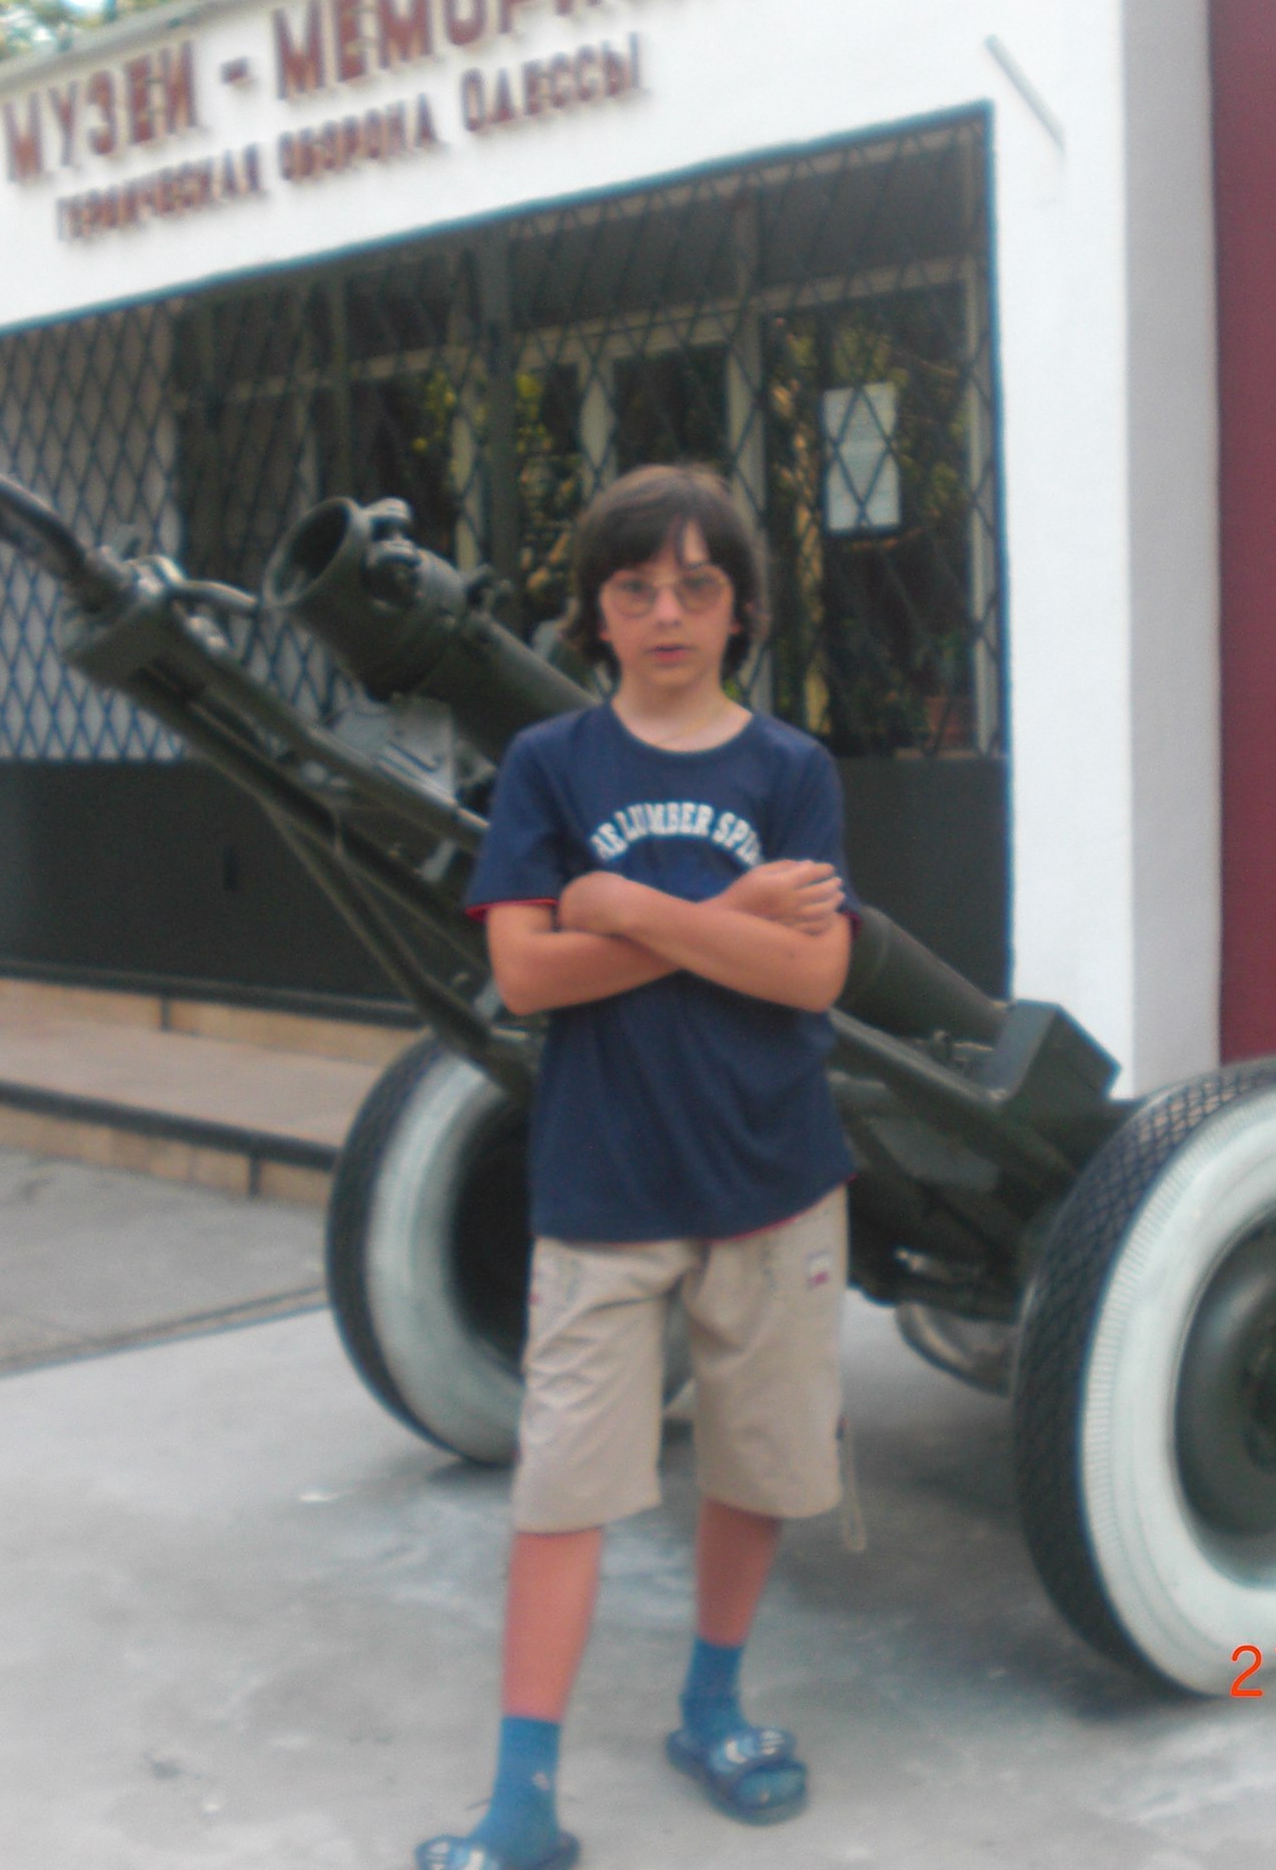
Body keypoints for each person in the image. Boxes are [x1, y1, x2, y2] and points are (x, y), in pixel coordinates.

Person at [417, 465, 857, 1870]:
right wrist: (727, 911)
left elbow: (816, 974)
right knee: (562, 1489)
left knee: (755, 1463)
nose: (667, 613)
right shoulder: (553, 766)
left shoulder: (790, 772)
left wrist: (629, 903)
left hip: (772, 1176)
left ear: (740, 611)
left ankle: (712, 1710)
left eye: (696, 586)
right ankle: (522, 1802)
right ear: (596, 614)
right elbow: (527, 975)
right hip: (602, 1186)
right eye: (635, 587)